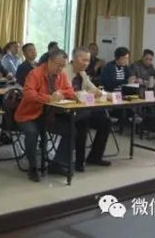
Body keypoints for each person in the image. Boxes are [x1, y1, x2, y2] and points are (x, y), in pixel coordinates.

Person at [15, 49, 110, 183]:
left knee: (71, 130)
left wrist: (61, 93)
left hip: (49, 115)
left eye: (63, 66)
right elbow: (28, 93)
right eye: (58, 65)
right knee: (32, 133)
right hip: (29, 114)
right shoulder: (35, 73)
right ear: (49, 61)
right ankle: (33, 167)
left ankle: (57, 163)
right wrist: (49, 98)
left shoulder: (61, 75)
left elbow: (69, 91)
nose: (60, 69)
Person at [62, 47, 111, 168]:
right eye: (83, 60)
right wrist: (88, 94)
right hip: (67, 111)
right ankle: (79, 161)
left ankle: (95, 156)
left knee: (105, 121)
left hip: (82, 109)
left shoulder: (83, 73)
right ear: (74, 59)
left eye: (88, 60)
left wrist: (102, 93)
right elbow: (68, 93)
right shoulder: (64, 72)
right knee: (82, 121)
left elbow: (93, 88)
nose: (86, 63)